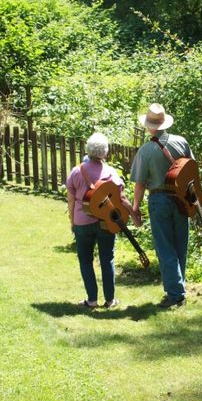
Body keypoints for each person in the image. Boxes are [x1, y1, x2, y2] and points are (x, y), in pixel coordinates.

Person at [130, 103, 194, 308]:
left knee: (165, 246)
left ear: (150, 126)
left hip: (159, 200)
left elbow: (140, 183)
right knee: (180, 244)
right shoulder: (181, 142)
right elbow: (192, 170)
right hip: (182, 198)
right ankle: (178, 288)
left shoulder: (146, 151)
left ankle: (175, 294)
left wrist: (135, 206)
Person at [66, 132, 139, 309]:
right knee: (107, 259)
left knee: (85, 260)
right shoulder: (111, 172)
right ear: (105, 152)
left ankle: (91, 300)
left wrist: (72, 219)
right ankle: (110, 300)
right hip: (106, 222)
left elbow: (70, 199)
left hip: (82, 222)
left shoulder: (77, 171)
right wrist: (133, 213)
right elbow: (121, 198)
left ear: (87, 150)